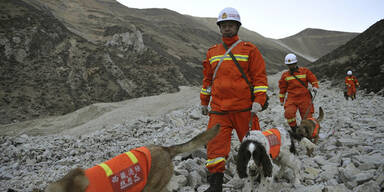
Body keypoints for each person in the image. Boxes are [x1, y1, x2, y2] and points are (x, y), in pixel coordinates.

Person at [199, 7, 268, 191]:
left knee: (254, 145)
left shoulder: (250, 49)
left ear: (237, 27)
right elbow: (207, 80)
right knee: (214, 147)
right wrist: (204, 102)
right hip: (219, 110)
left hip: (245, 109)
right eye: (224, 25)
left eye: (231, 25)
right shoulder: (212, 52)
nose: (227, 28)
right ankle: (215, 185)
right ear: (220, 28)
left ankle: (261, 177)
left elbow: (259, 77)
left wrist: (259, 100)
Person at [278, 53, 319, 134]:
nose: (290, 66)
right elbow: (282, 89)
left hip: (305, 98)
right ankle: (295, 130)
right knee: (289, 113)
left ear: (296, 63)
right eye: (288, 65)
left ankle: (309, 134)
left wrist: (315, 86)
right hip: (292, 99)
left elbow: (313, 79)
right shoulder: (285, 75)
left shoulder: (305, 71)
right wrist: (281, 100)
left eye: (292, 64)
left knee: (307, 118)